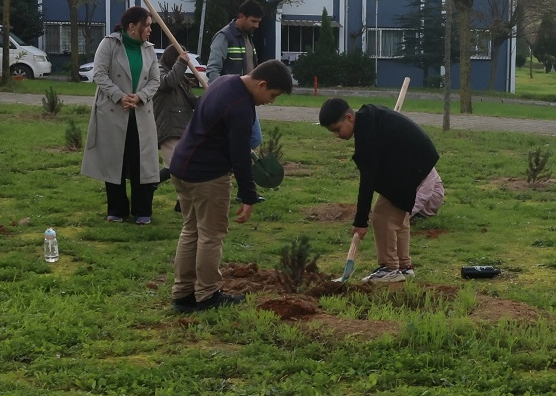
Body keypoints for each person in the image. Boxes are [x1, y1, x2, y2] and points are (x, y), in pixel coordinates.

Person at [169, 59, 292, 312]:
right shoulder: (241, 108)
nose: (271, 101)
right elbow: (239, 157)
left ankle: (183, 294)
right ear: (262, 84)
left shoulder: (223, 82)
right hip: (206, 175)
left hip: (181, 166)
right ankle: (207, 295)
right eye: (273, 95)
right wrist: (248, 196)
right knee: (211, 235)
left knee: (191, 230)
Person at [318, 98, 441, 282]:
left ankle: (390, 268)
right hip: (415, 160)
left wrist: (361, 222)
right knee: (398, 213)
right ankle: (404, 266)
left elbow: (367, 181)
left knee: (382, 215)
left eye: (337, 129)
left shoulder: (367, 135)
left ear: (349, 117)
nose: (337, 135)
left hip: (413, 163)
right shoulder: (367, 119)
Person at [81, 6, 162, 224]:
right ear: (132, 27)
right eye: (147, 25)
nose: (150, 30)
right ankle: (117, 210)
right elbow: (99, 74)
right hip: (113, 112)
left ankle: (142, 211)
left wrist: (140, 97)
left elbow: (155, 80)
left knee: (142, 163)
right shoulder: (109, 44)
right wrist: (119, 96)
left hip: (141, 114)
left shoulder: (149, 49)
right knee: (114, 161)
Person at [207, 0, 265, 150]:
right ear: (241, 16)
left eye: (258, 22)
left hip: (248, 98)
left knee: (254, 138)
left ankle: (228, 159)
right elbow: (213, 70)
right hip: (231, 100)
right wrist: (221, 96)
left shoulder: (248, 36)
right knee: (249, 138)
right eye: (253, 21)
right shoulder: (224, 37)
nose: (257, 26)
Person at [152, 43, 199, 183]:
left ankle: (149, 187)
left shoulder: (180, 78)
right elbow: (168, 83)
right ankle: (148, 187)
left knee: (181, 167)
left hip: (183, 128)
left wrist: (209, 97)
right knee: (176, 167)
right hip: (168, 127)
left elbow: (192, 101)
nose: (186, 61)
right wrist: (181, 63)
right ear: (172, 58)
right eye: (180, 58)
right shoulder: (158, 72)